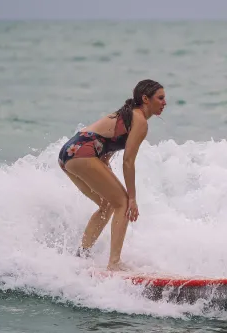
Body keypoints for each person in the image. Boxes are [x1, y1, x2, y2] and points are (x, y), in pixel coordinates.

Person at [58, 79, 166, 271]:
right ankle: (114, 263)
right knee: (122, 203)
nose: (165, 103)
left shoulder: (128, 116)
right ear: (145, 99)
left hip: (69, 154)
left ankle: (82, 255)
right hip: (83, 152)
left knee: (107, 204)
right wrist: (132, 198)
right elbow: (128, 161)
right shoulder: (139, 120)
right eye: (160, 98)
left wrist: (105, 168)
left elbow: (105, 145)